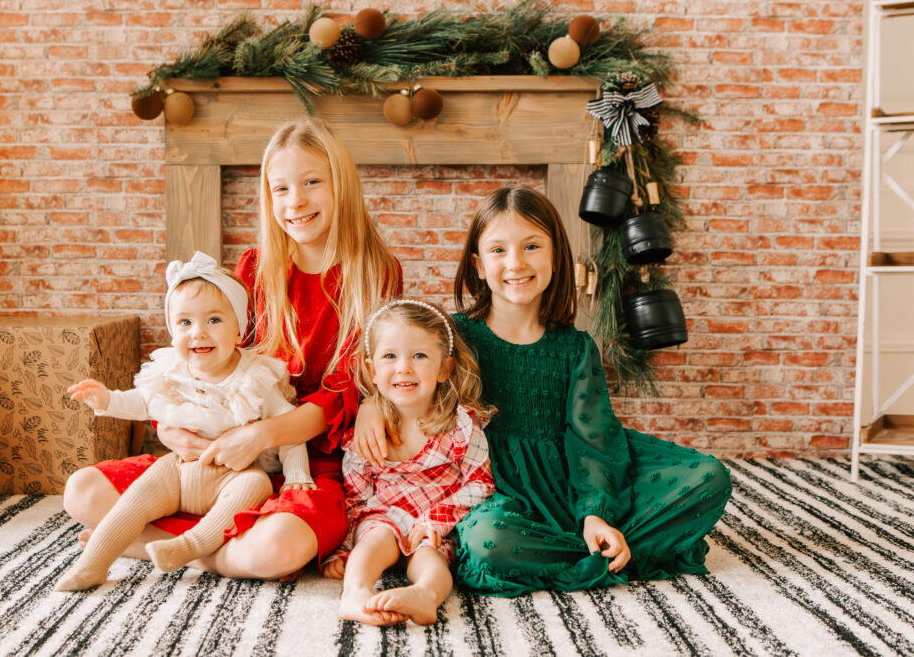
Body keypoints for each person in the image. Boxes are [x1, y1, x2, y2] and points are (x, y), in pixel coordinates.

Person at [61, 117, 401, 581]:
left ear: (341, 185)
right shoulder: (256, 267)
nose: (295, 201)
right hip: (218, 450)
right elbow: (206, 358)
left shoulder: (374, 272)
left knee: (279, 546)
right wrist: (171, 430)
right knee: (82, 492)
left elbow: (346, 392)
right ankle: (206, 542)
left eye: (312, 182)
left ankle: (163, 545)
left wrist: (260, 437)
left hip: (306, 458)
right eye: (279, 189)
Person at [353, 186, 732, 597]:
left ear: (555, 256)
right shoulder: (456, 335)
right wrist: (372, 404)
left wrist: (595, 514)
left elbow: (594, 439)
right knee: (487, 544)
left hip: (573, 471)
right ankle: (599, 557)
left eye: (531, 246)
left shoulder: (575, 348)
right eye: (498, 250)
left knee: (708, 477)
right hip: (493, 487)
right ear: (479, 265)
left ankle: (592, 540)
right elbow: (403, 371)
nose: (516, 263)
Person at [57, 252, 313, 591]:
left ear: (239, 330)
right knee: (136, 498)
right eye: (185, 323)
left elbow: (290, 430)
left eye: (214, 321)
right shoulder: (170, 372)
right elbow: (143, 402)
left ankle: (187, 548)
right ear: (172, 329)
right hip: (180, 470)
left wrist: (297, 475)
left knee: (257, 486)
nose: (199, 333)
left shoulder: (254, 379)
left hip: (235, 476)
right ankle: (93, 563)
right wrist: (106, 400)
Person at [322, 299, 495, 626]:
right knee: (375, 537)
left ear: (445, 368)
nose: (403, 368)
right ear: (373, 371)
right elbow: (356, 498)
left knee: (430, 558)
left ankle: (425, 595)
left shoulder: (459, 427)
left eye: (419, 356)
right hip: (382, 516)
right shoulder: (370, 433)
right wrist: (343, 550)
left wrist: (435, 521)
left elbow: (480, 484)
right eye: (390, 356)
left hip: (434, 522)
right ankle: (355, 593)